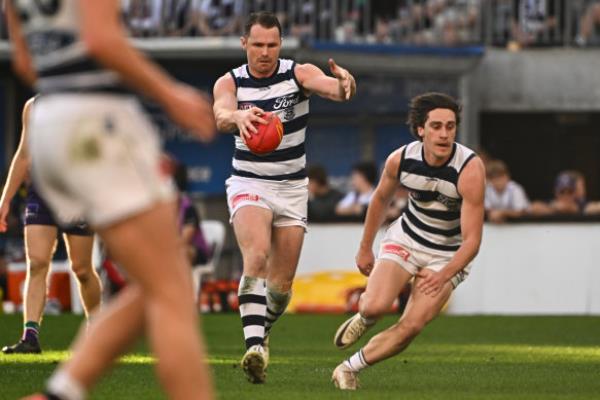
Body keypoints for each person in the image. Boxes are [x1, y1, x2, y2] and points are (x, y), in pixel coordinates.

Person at [5, 1, 216, 399]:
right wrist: (170, 94)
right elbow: (101, 39)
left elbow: (25, 63)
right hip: (96, 120)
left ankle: (62, 391)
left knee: (158, 280)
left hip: (48, 123)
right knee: (173, 290)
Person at [212, 11, 356, 384]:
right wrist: (238, 119)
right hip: (249, 182)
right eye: (257, 44)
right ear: (244, 43)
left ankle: (262, 330)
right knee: (256, 254)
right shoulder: (230, 82)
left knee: (280, 288)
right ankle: (255, 348)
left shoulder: (297, 73)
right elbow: (220, 113)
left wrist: (343, 85)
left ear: (281, 44)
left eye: (272, 44)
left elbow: (330, 88)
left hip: (292, 188)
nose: (264, 52)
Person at [331, 92, 485, 390]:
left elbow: (472, 241)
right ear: (420, 129)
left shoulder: (469, 169)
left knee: (412, 326)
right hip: (407, 237)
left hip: (446, 255)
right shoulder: (400, 160)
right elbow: (379, 200)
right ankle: (366, 315)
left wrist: (443, 275)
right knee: (375, 307)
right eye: (437, 126)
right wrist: (364, 248)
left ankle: (348, 368)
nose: (444, 134)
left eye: (450, 127)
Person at [1, 98, 101, 355]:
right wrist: (5, 199)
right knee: (36, 263)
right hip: (41, 193)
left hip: (76, 194)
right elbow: (24, 154)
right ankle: (30, 336)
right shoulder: (32, 107)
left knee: (81, 269)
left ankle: (96, 327)